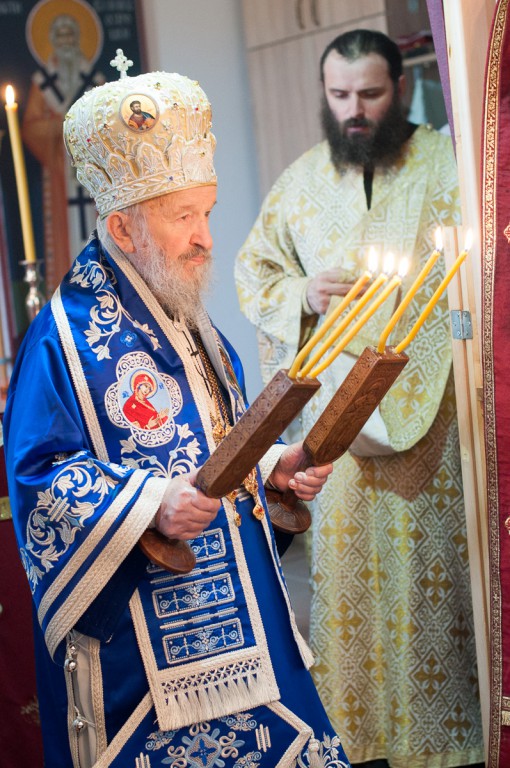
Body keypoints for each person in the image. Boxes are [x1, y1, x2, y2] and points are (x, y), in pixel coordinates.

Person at [4, 60, 351, 768]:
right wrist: (151, 503)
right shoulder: (62, 340)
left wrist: (271, 470)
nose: (206, 238)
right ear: (123, 227)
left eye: (207, 213)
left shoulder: (188, 318)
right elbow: (40, 481)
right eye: (182, 217)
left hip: (249, 632)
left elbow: (216, 447)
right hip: (143, 658)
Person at [235, 29, 484, 768]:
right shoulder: (300, 179)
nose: (354, 110)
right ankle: (361, 742)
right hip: (337, 438)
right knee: (351, 593)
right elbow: (255, 273)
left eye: (370, 94)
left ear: (400, 90)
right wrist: (301, 293)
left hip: (435, 426)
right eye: (339, 94)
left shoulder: (449, 165)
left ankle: (453, 744)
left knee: (436, 589)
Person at [22, 7, 104, 294]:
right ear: (53, 41)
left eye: (71, 35)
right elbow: (31, 127)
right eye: (61, 36)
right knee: (65, 233)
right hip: (61, 175)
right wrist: (60, 125)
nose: (66, 41)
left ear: (79, 38)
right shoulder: (43, 82)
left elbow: (107, 122)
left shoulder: (94, 79)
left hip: (93, 175)